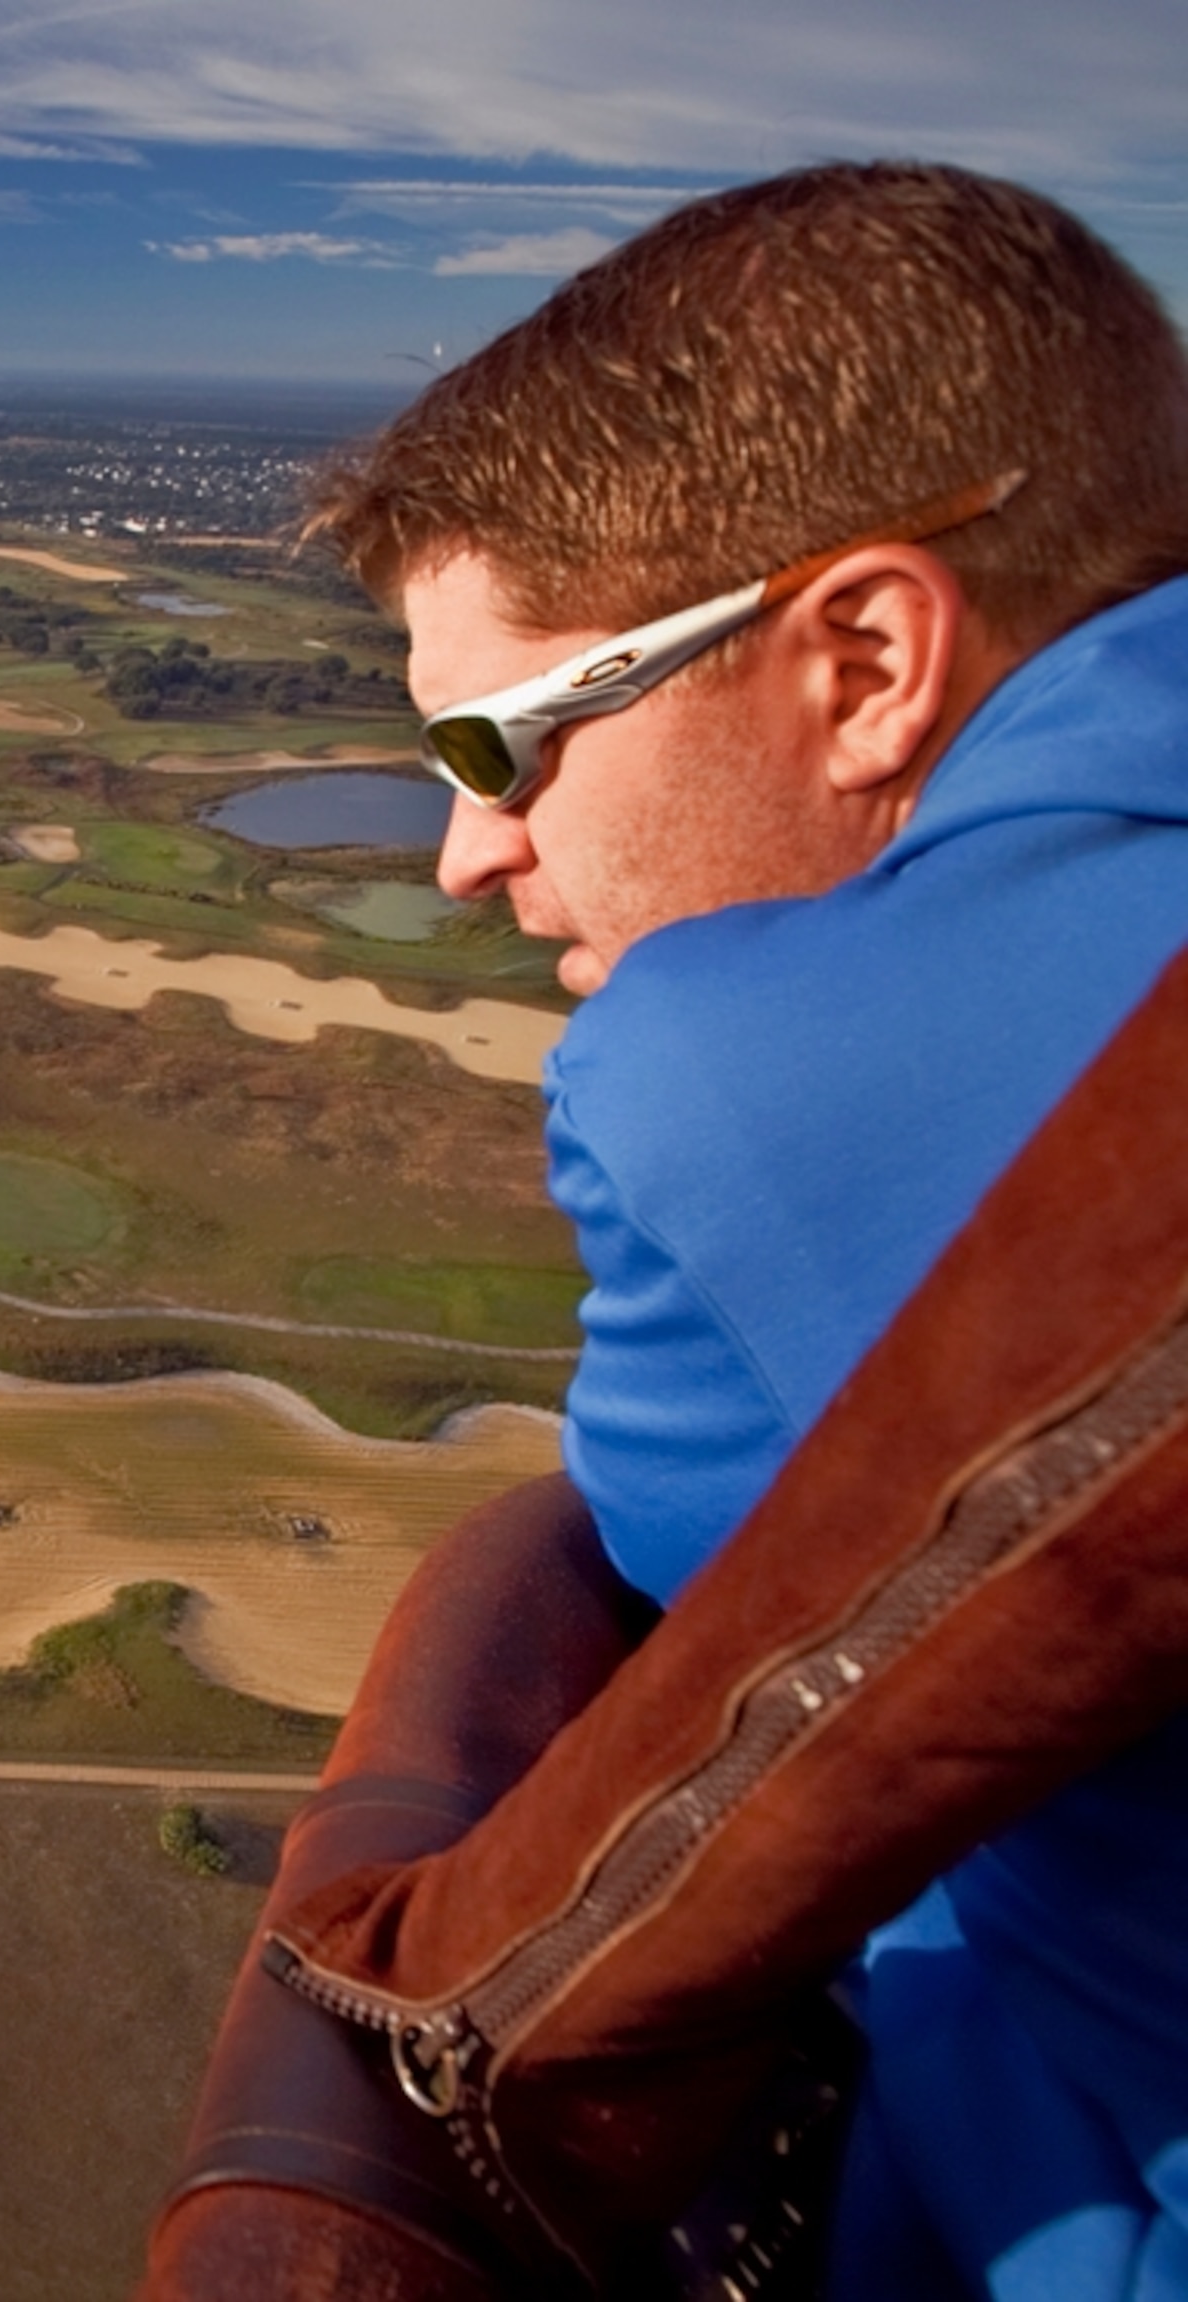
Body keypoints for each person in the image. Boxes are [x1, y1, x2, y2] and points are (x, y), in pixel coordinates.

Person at [144, 161, 1188, 2299]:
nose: (467, 850)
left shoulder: (739, 1068)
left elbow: (673, 1558)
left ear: (870, 658)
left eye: (506, 739)